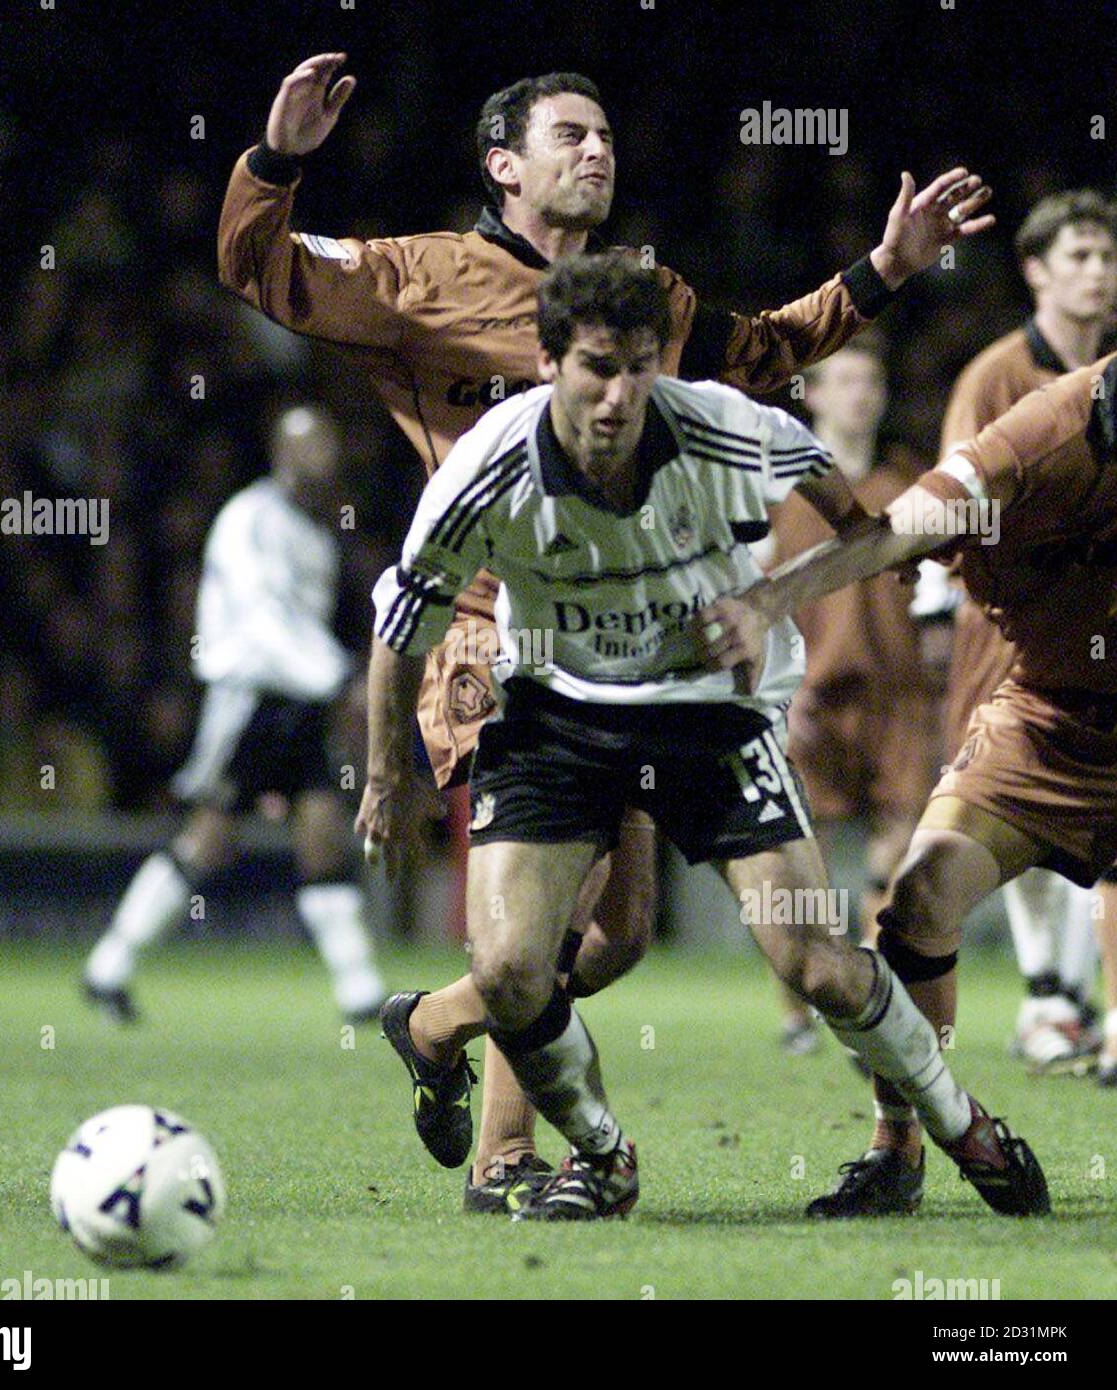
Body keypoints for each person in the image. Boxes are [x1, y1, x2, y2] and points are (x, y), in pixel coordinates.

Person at [219, 49, 995, 1209]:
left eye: (606, 137)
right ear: (502, 164)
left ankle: (430, 1025)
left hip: (607, 644)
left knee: (621, 933)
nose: (597, 150)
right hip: (482, 626)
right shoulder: (420, 273)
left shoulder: (646, 302)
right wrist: (276, 160)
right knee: (556, 914)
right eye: (569, 135)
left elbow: (763, 353)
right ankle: (507, 1159)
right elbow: (260, 272)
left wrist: (883, 269)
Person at [358, 253, 1047, 1222]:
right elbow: (402, 628)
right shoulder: (486, 468)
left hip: (705, 712)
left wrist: (770, 598)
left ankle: (959, 1119)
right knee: (514, 971)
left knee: (810, 961)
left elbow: (866, 528)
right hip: (555, 714)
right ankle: (600, 1154)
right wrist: (387, 774)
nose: (619, 393)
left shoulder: (728, 428)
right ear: (550, 360)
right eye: (597, 366)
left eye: (640, 365)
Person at [698, 346, 1117, 1215]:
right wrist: (768, 602)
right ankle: (897, 1147)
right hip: (1048, 717)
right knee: (918, 898)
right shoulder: (1034, 437)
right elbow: (895, 530)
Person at [83, 406, 385, 1022]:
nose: (327, 452)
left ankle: (359, 993)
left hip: (298, 703)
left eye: (330, 439)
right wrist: (341, 678)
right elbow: (263, 622)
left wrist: (329, 683)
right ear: (282, 451)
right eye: (312, 441)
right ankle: (107, 965)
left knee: (323, 833)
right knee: (208, 839)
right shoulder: (251, 518)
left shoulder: (315, 529)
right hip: (249, 700)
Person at [913, 190, 1117, 1077]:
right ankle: (1046, 992)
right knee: (1017, 815)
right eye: (1077, 256)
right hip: (1006, 629)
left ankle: (1079, 1002)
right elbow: (947, 506)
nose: (1097, 272)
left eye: (1106, 257)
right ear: (1035, 271)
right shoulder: (998, 376)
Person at [768, 339, 937, 1055]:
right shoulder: (781, 490)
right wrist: (772, 693)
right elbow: (753, 596)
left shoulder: (912, 482)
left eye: (871, 380)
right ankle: (797, 1014)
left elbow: (940, 596)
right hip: (810, 698)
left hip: (897, 696)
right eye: (843, 381)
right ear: (810, 394)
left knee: (894, 853)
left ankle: (868, 1002)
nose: (860, 395)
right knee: (800, 859)